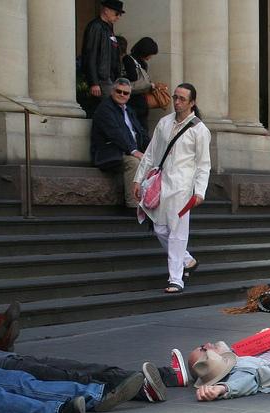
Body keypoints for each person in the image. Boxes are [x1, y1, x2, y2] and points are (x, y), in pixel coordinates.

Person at [0, 341, 173, 402]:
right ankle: (138, 391)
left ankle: (162, 376)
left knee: (77, 366)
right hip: (0, 366)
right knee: (71, 376)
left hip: (5, 356)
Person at [133, 83, 211, 294]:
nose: (176, 102)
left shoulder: (200, 130)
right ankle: (187, 260)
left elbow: (204, 164)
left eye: (182, 99)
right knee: (159, 228)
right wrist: (138, 179)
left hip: (183, 188)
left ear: (192, 102)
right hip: (162, 183)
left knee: (177, 233)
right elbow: (150, 153)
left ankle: (176, 279)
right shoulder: (164, 122)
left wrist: (199, 192)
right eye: (175, 97)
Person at [91, 78, 149, 209]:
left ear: (129, 96)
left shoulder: (129, 110)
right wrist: (134, 151)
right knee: (134, 163)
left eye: (126, 93)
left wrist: (155, 151)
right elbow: (116, 134)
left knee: (154, 164)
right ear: (112, 91)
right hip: (109, 154)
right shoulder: (105, 109)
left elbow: (141, 133)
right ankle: (134, 205)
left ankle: (151, 203)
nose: (122, 95)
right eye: (119, 91)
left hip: (127, 152)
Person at [80, 0, 124, 110]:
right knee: (110, 108)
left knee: (113, 108)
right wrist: (94, 82)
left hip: (110, 77)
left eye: (120, 14)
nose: (118, 17)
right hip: (102, 78)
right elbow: (90, 54)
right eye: (116, 13)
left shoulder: (108, 28)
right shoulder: (96, 27)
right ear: (106, 10)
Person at [122, 36, 159, 132]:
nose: (150, 57)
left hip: (140, 102)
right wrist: (150, 85)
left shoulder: (141, 63)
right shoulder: (129, 60)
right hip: (132, 101)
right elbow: (132, 79)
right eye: (150, 54)